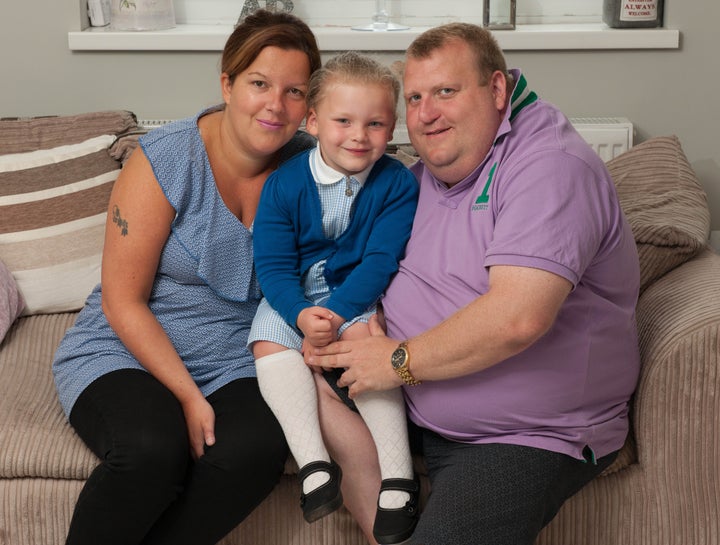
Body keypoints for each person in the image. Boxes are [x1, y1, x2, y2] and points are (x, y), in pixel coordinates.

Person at [307, 22, 641, 545]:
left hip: (526, 433)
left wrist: (395, 360)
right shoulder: (419, 177)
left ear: (497, 89)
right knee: (294, 371)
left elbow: (518, 317)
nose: (426, 113)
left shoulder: (549, 166)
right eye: (414, 97)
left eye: (445, 91)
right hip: (417, 404)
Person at [51, 11, 321, 545]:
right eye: (259, 84)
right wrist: (188, 398)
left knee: (255, 451)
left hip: (237, 357)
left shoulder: (311, 170)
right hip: (127, 348)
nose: (275, 105)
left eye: (294, 92)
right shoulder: (167, 159)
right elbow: (123, 301)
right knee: (152, 451)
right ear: (227, 83)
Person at [249, 51, 420, 545]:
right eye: (343, 121)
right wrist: (302, 315)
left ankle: (398, 477)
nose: (358, 136)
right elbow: (274, 268)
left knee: (369, 345)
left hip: (355, 295)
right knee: (266, 344)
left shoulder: (396, 183)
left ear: (393, 129)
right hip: (293, 298)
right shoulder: (284, 185)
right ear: (314, 122)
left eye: (376, 123)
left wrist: (340, 312)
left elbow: (381, 260)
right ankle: (313, 465)